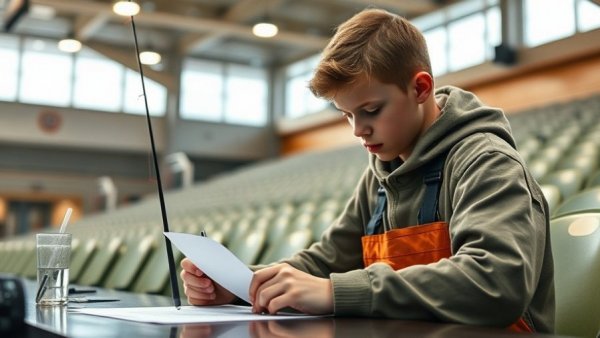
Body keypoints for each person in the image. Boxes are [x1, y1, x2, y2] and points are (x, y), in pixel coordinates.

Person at [180, 8, 555, 333]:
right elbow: (326, 260)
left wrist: (335, 292)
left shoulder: (485, 161)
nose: (358, 130)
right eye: (347, 115)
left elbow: (495, 283)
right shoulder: (382, 171)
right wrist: (245, 285)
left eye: (371, 110)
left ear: (420, 88)